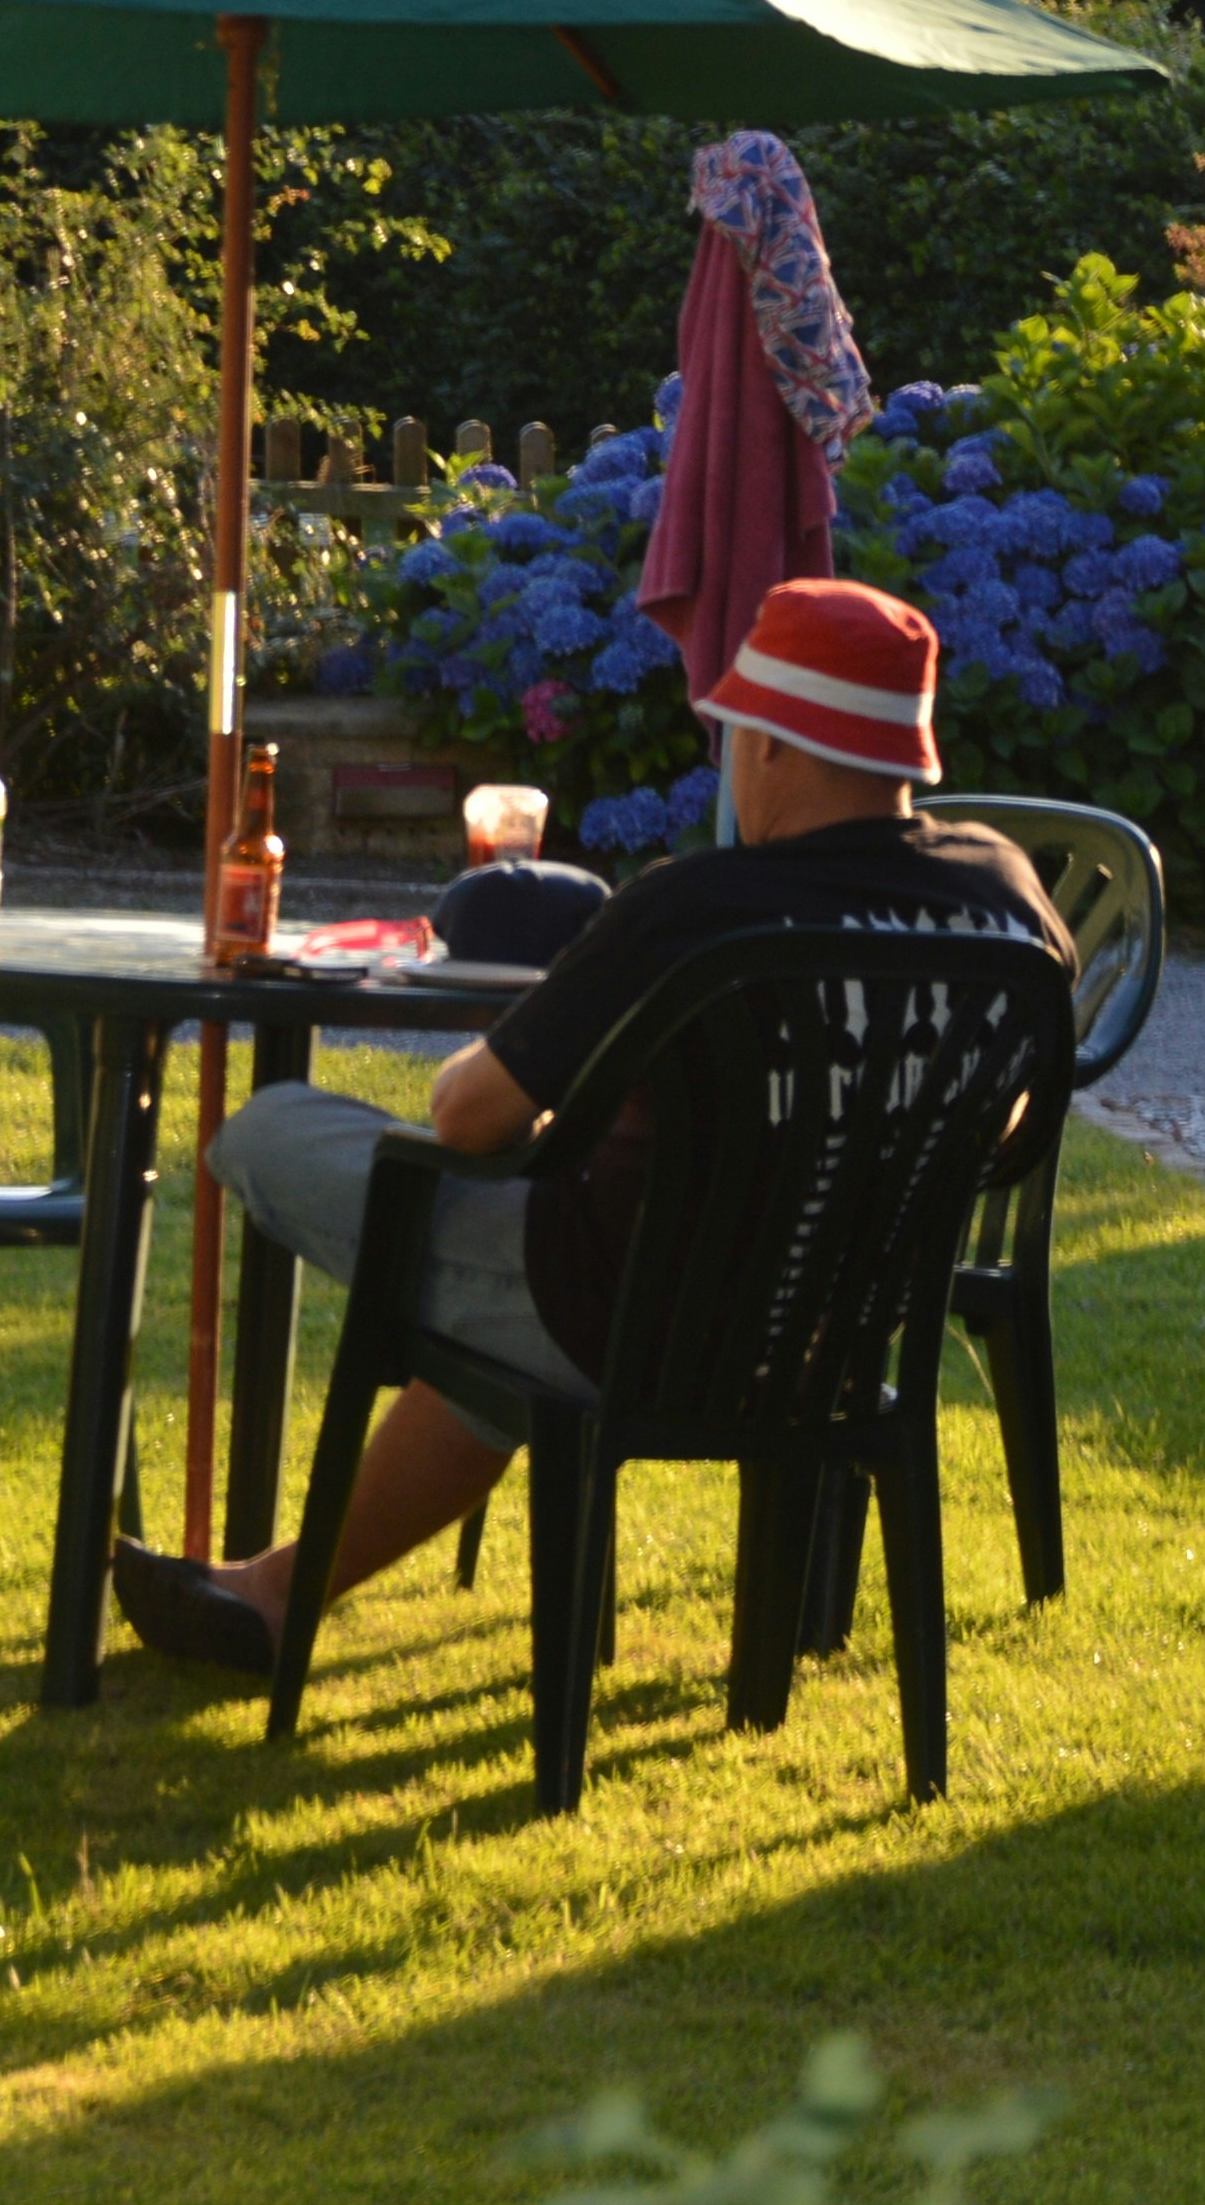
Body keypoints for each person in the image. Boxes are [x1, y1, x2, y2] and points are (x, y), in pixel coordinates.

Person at [110, 579, 1063, 1675]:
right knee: (498, 1328)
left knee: (269, 1128)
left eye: (735, 733)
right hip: (828, 1340)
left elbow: (468, 1116)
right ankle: (271, 1597)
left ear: (773, 749)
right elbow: (1006, 1118)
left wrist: (535, 1077)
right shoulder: (1008, 896)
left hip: (610, 1306)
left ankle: (273, 1598)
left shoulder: (694, 906)